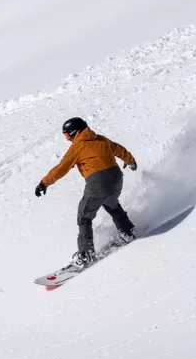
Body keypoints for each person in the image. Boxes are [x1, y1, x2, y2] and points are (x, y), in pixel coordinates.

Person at [34, 117, 138, 273]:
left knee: (84, 217)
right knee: (112, 204)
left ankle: (86, 254)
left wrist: (44, 182)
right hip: (116, 180)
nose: (67, 139)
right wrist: (130, 161)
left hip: (98, 183)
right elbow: (119, 149)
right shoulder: (101, 139)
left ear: (74, 132)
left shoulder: (78, 146)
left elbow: (62, 168)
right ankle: (128, 232)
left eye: (67, 135)